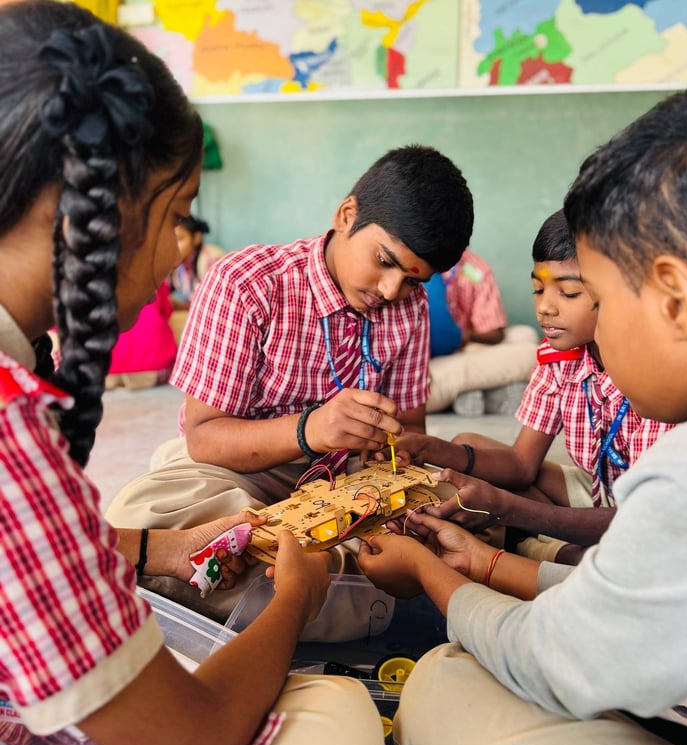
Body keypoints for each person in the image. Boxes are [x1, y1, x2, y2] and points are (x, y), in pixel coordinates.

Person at [0, 2, 384, 745]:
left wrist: (164, 549)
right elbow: (189, 733)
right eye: (176, 214)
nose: (183, 249)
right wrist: (295, 601)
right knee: (338, 715)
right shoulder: (14, 432)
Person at [359, 85, 687, 745]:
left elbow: (557, 660)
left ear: (676, 297)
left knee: (449, 679)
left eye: (598, 297)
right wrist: (485, 559)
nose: (560, 312)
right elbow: (645, 598)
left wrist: (433, 573)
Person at [104, 144, 474, 543]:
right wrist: (311, 429)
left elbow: (410, 427)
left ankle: (297, 555)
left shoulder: (411, 307)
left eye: (413, 280)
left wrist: (393, 453)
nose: (390, 290)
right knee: (145, 514)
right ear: (346, 215)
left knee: (460, 507)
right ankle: (325, 555)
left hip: (349, 476)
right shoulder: (246, 283)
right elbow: (203, 438)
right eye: (384, 261)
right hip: (236, 472)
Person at [395, 209, 672, 564]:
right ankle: (556, 551)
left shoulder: (657, 381)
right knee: (469, 446)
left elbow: (647, 519)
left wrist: (509, 509)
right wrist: (431, 448)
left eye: (568, 293)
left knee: (505, 507)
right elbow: (521, 464)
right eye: (538, 289)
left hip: (649, 516)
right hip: (602, 491)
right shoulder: (559, 359)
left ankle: (547, 551)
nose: (545, 307)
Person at [425, 247, 539, 416]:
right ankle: (481, 392)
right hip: (418, 384)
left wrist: (464, 337)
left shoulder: (472, 267)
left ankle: (472, 391)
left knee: (525, 335)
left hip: (444, 354)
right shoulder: (421, 266)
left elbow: (493, 333)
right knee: (533, 355)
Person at [105, 279, 178, 389]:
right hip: (152, 367)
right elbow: (167, 311)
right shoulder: (154, 275)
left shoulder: (101, 278)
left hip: (108, 369)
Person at [168, 213, 225, 341]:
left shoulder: (211, 261)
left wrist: (181, 306)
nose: (173, 245)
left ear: (197, 238)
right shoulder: (178, 263)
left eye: (179, 239)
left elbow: (216, 310)